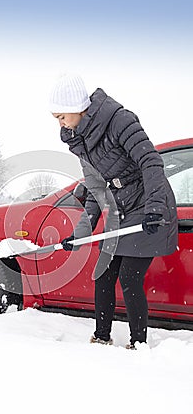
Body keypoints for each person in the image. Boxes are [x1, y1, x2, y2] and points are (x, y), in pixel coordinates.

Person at [49, 74, 178, 349]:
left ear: (76, 108)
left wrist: (154, 206)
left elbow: (151, 161)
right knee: (104, 271)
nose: (59, 123)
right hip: (123, 208)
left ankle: (139, 343)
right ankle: (102, 336)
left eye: (61, 116)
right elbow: (96, 189)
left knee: (129, 276)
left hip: (148, 203)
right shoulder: (79, 140)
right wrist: (79, 233)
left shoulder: (119, 120)